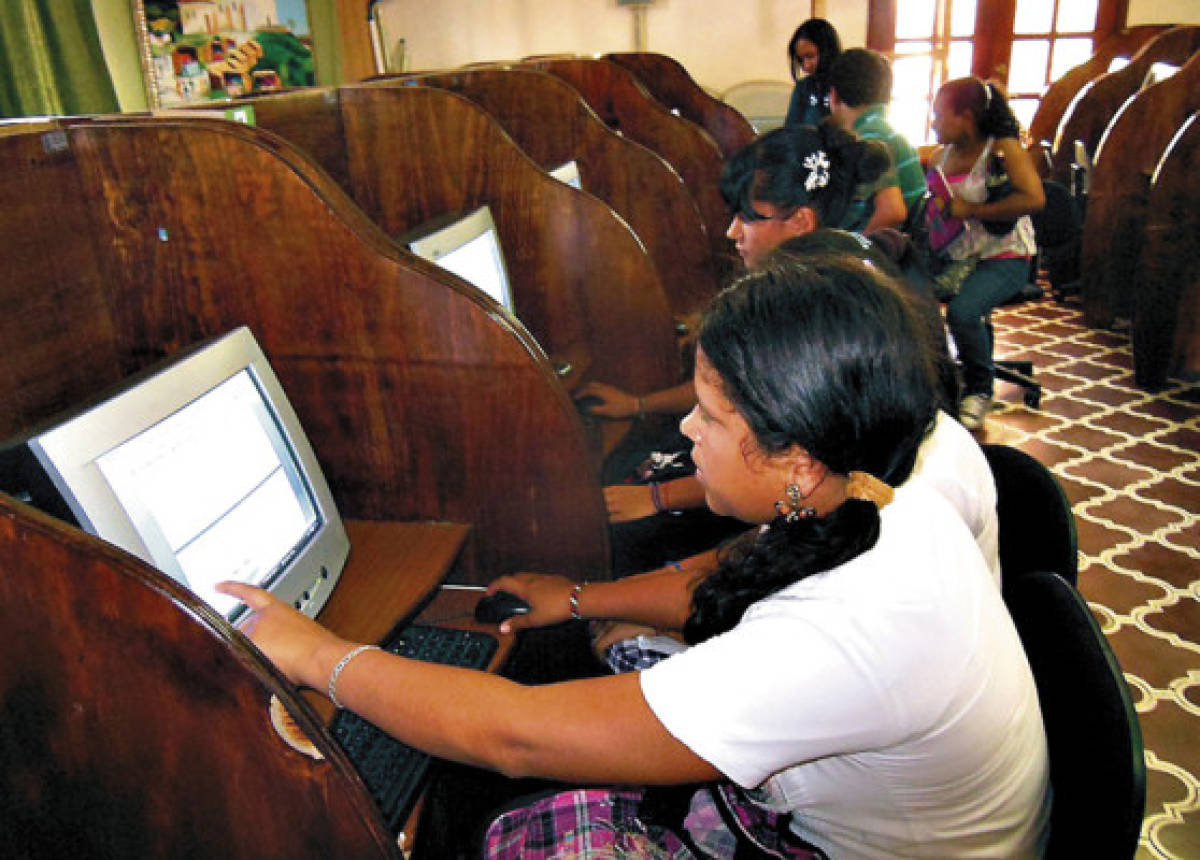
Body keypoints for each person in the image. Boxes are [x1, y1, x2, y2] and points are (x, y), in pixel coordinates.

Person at [221, 256, 1048, 858]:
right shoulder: (876, 496)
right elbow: (733, 573)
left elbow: (515, 738)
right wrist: (580, 597)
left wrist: (321, 656)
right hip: (898, 823)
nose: (686, 433)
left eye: (710, 418)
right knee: (584, 661)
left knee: (504, 817)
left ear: (797, 459)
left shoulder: (844, 634)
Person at [919, 76, 1045, 431]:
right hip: (958, 257)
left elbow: (1034, 199)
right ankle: (937, 379)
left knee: (963, 311)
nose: (934, 123)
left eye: (941, 115)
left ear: (967, 117)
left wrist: (971, 211)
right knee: (911, 296)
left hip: (1005, 258)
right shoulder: (941, 156)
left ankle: (979, 389)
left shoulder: (1003, 150)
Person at [827, 47, 927, 230]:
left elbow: (892, 212)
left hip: (895, 249)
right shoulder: (887, 131)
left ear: (833, 96)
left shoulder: (869, 138)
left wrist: (852, 248)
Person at [783, 18, 841, 129]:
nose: (806, 66)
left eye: (810, 56)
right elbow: (790, 131)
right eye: (801, 60)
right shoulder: (803, 88)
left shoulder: (847, 85)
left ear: (828, 51)